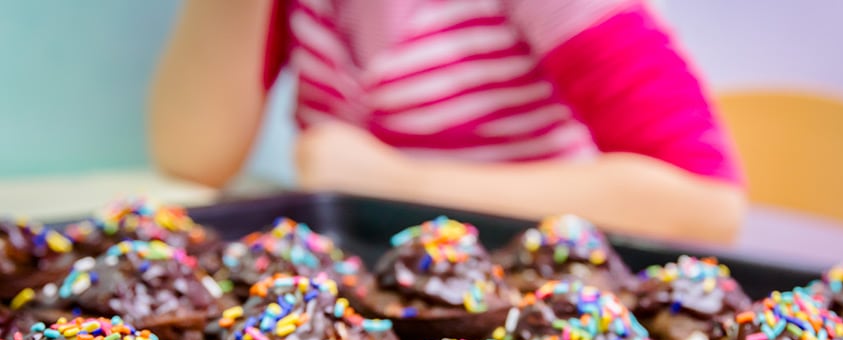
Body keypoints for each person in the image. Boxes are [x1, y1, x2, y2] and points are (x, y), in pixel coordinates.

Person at [150, 0, 745, 243]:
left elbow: (708, 205)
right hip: (354, 279)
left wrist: (398, 183)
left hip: (522, 280)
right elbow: (191, 156)